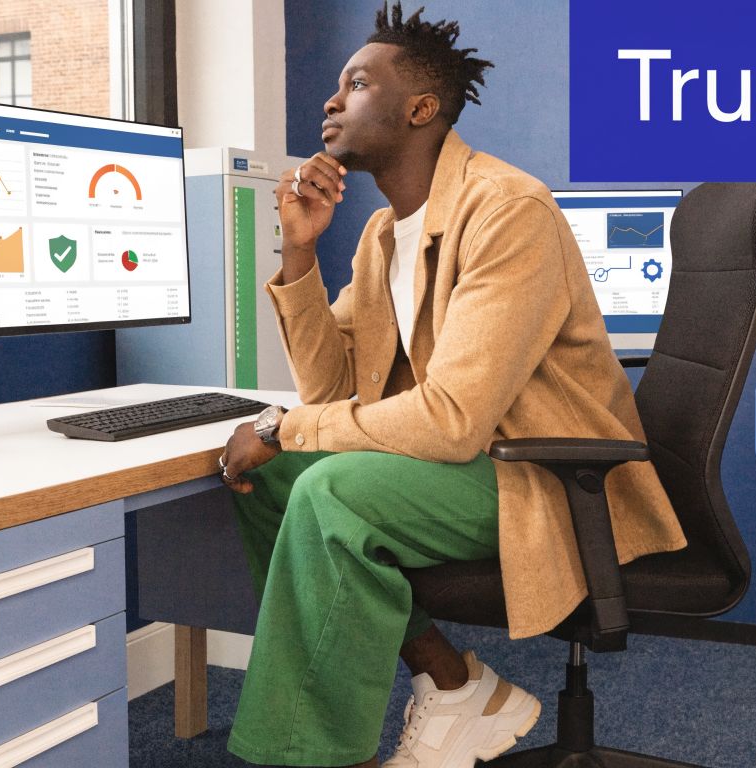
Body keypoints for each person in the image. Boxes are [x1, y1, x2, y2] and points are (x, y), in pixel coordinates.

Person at [218, 4, 686, 766]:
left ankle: (302, 755)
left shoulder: (507, 210)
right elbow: (335, 388)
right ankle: (452, 680)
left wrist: (280, 428)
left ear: (421, 108)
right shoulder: (381, 235)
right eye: (336, 85)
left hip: (544, 475)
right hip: (474, 464)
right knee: (278, 483)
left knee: (328, 489)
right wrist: (300, 255)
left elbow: (454, 420)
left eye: (357, 83)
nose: (332, 101)